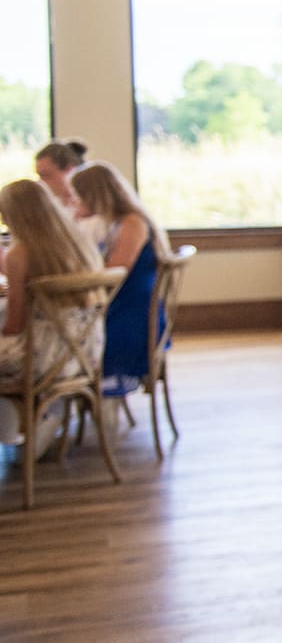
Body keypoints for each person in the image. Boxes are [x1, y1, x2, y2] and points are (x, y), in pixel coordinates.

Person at [0, 179, 105, 442]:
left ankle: (13, 424)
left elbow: (14, 325)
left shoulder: (20, 254)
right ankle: (33, 421)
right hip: (85, 352)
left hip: (43, 358)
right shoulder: (77, 244)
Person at [69, 162, 171, 394]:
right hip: (120, 303)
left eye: (78, 197)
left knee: (68, 332)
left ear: (94, 196)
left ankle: (70, 391)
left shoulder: (132, 222)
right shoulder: (115, 222)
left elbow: (116, 272)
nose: (75, 203)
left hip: (130, 311)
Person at [33, 138, 88, 212]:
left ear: (70, 172)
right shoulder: (46, 209)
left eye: (46, 176)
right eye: (39, 176)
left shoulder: (95, 209)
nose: (40, 182)